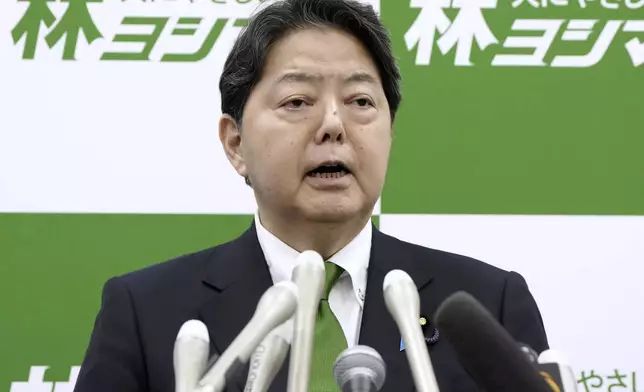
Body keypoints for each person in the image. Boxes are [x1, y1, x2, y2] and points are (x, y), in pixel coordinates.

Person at [73, 0, 549, 391]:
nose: (334, 126)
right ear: (235, 143)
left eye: (361, 101)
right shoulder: (145, 311)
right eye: (297, 102)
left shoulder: (488, 306)